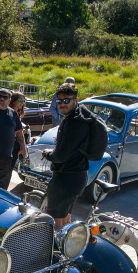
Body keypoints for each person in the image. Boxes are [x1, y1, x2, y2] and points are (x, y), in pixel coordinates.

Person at [41, 83, 104, 230]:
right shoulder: (81, 118)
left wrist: (47, 154)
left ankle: (55, 251)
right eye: (59, 101)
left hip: (66, 178)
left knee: (55, 222)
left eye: (66, 100)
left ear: (75, 100)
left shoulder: (74, 123)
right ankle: (66, 249)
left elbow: (61, 156)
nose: (62, 104)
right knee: (65, 217)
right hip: (77, 176)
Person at [0, 88, 26, 190]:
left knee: (1, 186)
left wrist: (23, 148)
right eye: (0, 96)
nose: (2, 99)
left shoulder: (13, 114)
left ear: (9, 100)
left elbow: (19, 133)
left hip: (5, 156)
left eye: (5, 97)